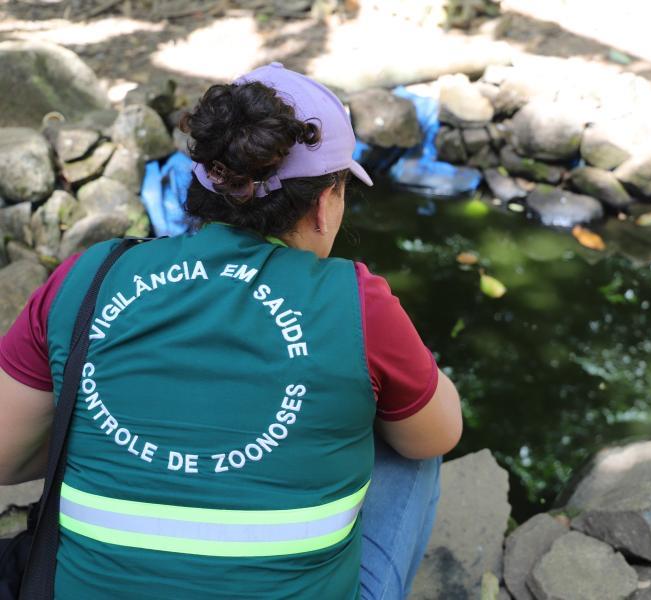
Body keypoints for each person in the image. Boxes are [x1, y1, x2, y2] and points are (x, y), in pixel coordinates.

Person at [0, 62, 462, 599]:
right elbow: (439, 434)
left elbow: (6, 457)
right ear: (322, 204)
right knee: (410, 442)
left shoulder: (86, 277)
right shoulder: (357, 302)